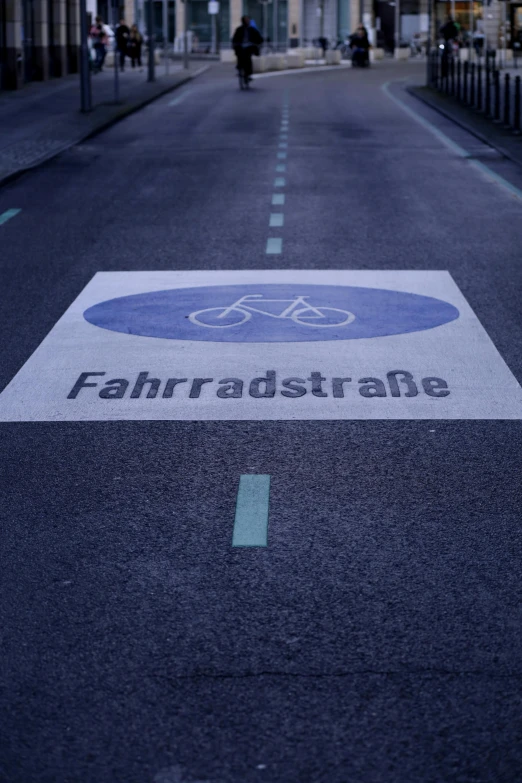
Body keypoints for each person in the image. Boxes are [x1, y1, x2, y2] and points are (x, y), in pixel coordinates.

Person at [232, 16, 263, 83]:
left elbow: (259, 37)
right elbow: (234, 39)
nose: (247, 22)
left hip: (249, 47)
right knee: (239, 55)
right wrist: (235, 44)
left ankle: (248, 74)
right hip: (240, 47)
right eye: (246, 20)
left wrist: (258, 42)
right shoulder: (239, 29)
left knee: (248, 58)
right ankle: (239, 67)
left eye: (248, 20)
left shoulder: (252, 29)